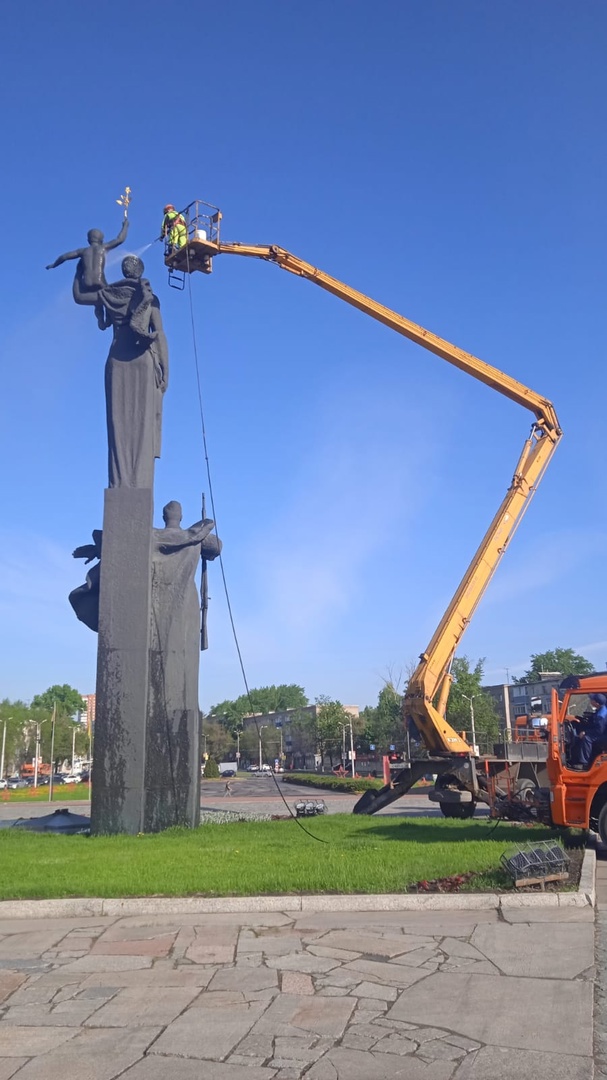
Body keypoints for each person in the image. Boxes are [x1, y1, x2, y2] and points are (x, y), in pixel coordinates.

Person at [46, 220, 129, 326]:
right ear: (101, 240)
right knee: (106, 296)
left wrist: (54, 264)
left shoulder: (83, 251)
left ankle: (100, 319)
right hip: (100, 282)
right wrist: (125, 226)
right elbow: (120, 239)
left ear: (88, 240)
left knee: (97, 303)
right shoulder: (103, 248)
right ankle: (108, 318)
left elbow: (64, 257)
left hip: (87, 283)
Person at [570, 694, 607, 770]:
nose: (590, 701)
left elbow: (599, 730)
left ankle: (584, 763)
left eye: (592, 700)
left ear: (597, 703)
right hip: (601, 733)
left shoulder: (601, 715)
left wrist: (585, 732)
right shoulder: (601, 710)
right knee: (580, 737)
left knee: (587, 739)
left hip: (602, 735)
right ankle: (574, 759)